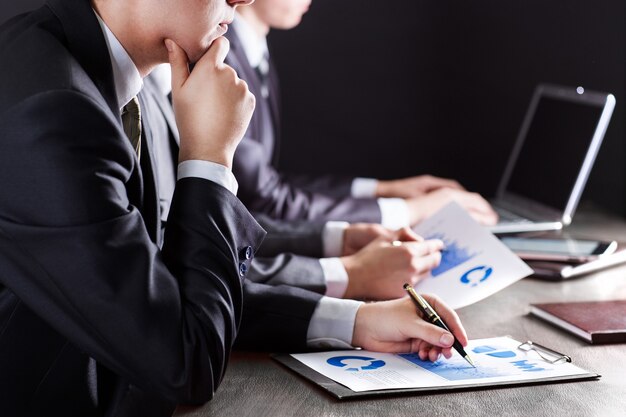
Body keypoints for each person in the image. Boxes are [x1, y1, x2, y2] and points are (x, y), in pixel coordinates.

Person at [0, 1, 469, 416]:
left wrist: (357, 321)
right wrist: (209, 158)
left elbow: (167, 287)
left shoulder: (136, 82)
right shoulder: (52, 110)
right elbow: (184, 361)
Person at [143, 67, 444, 301]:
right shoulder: (211, 64)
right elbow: (260, 198)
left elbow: (222, 226)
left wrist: (338, 237)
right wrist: (350, 273)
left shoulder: (179, 74)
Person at [226, 0, 499, 230]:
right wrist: (411, 211)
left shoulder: (255, 50)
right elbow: (263, 199)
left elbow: (268, 182)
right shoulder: (224, 57)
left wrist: (384, 190)